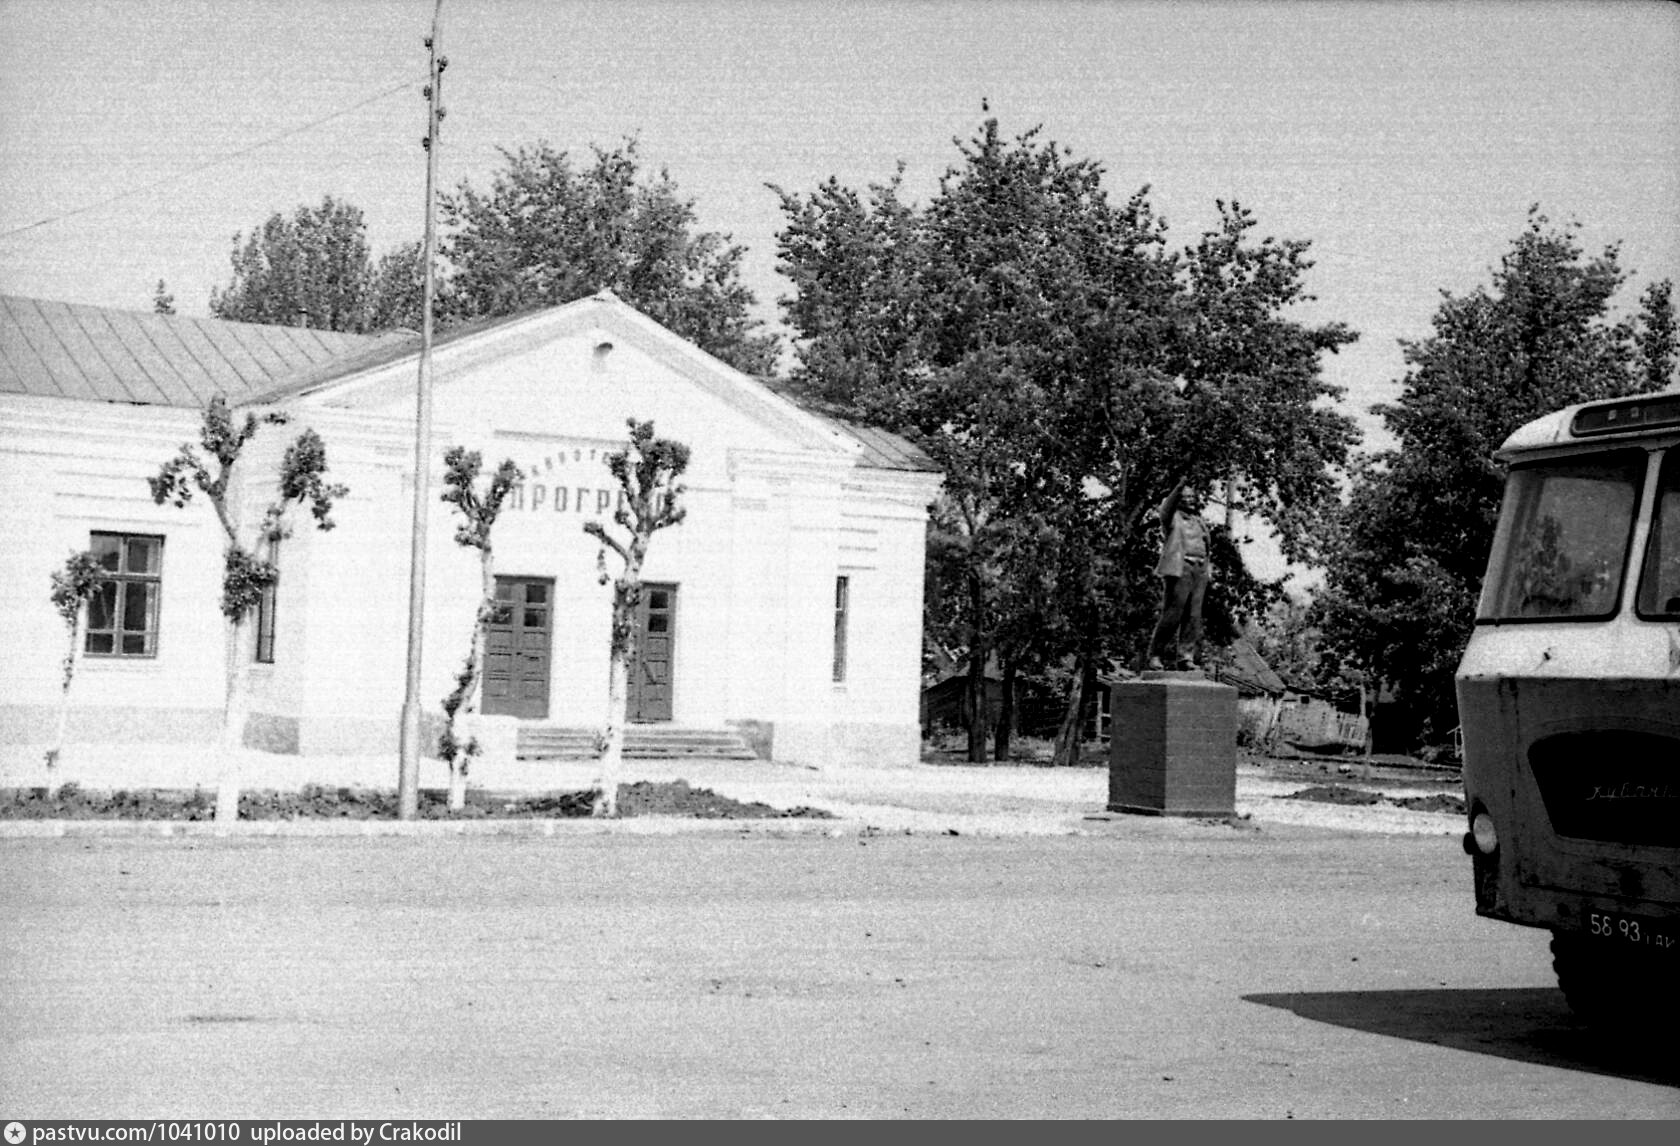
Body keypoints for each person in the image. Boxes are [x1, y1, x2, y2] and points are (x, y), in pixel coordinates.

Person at [1146, 478, 1210, 670]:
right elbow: (1166, 508)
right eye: (1186, 497)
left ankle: (1185, 657)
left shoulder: (1200, 521)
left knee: (1193, 616)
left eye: (1193, 497)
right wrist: (1179, 485)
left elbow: (1207, 546)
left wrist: (1208, 569)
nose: (1191, 500)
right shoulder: (1172, 518)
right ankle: (1156, 654)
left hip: (1199, 570)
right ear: (1178, 499)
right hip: (1180, 568)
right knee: (1173, 613)